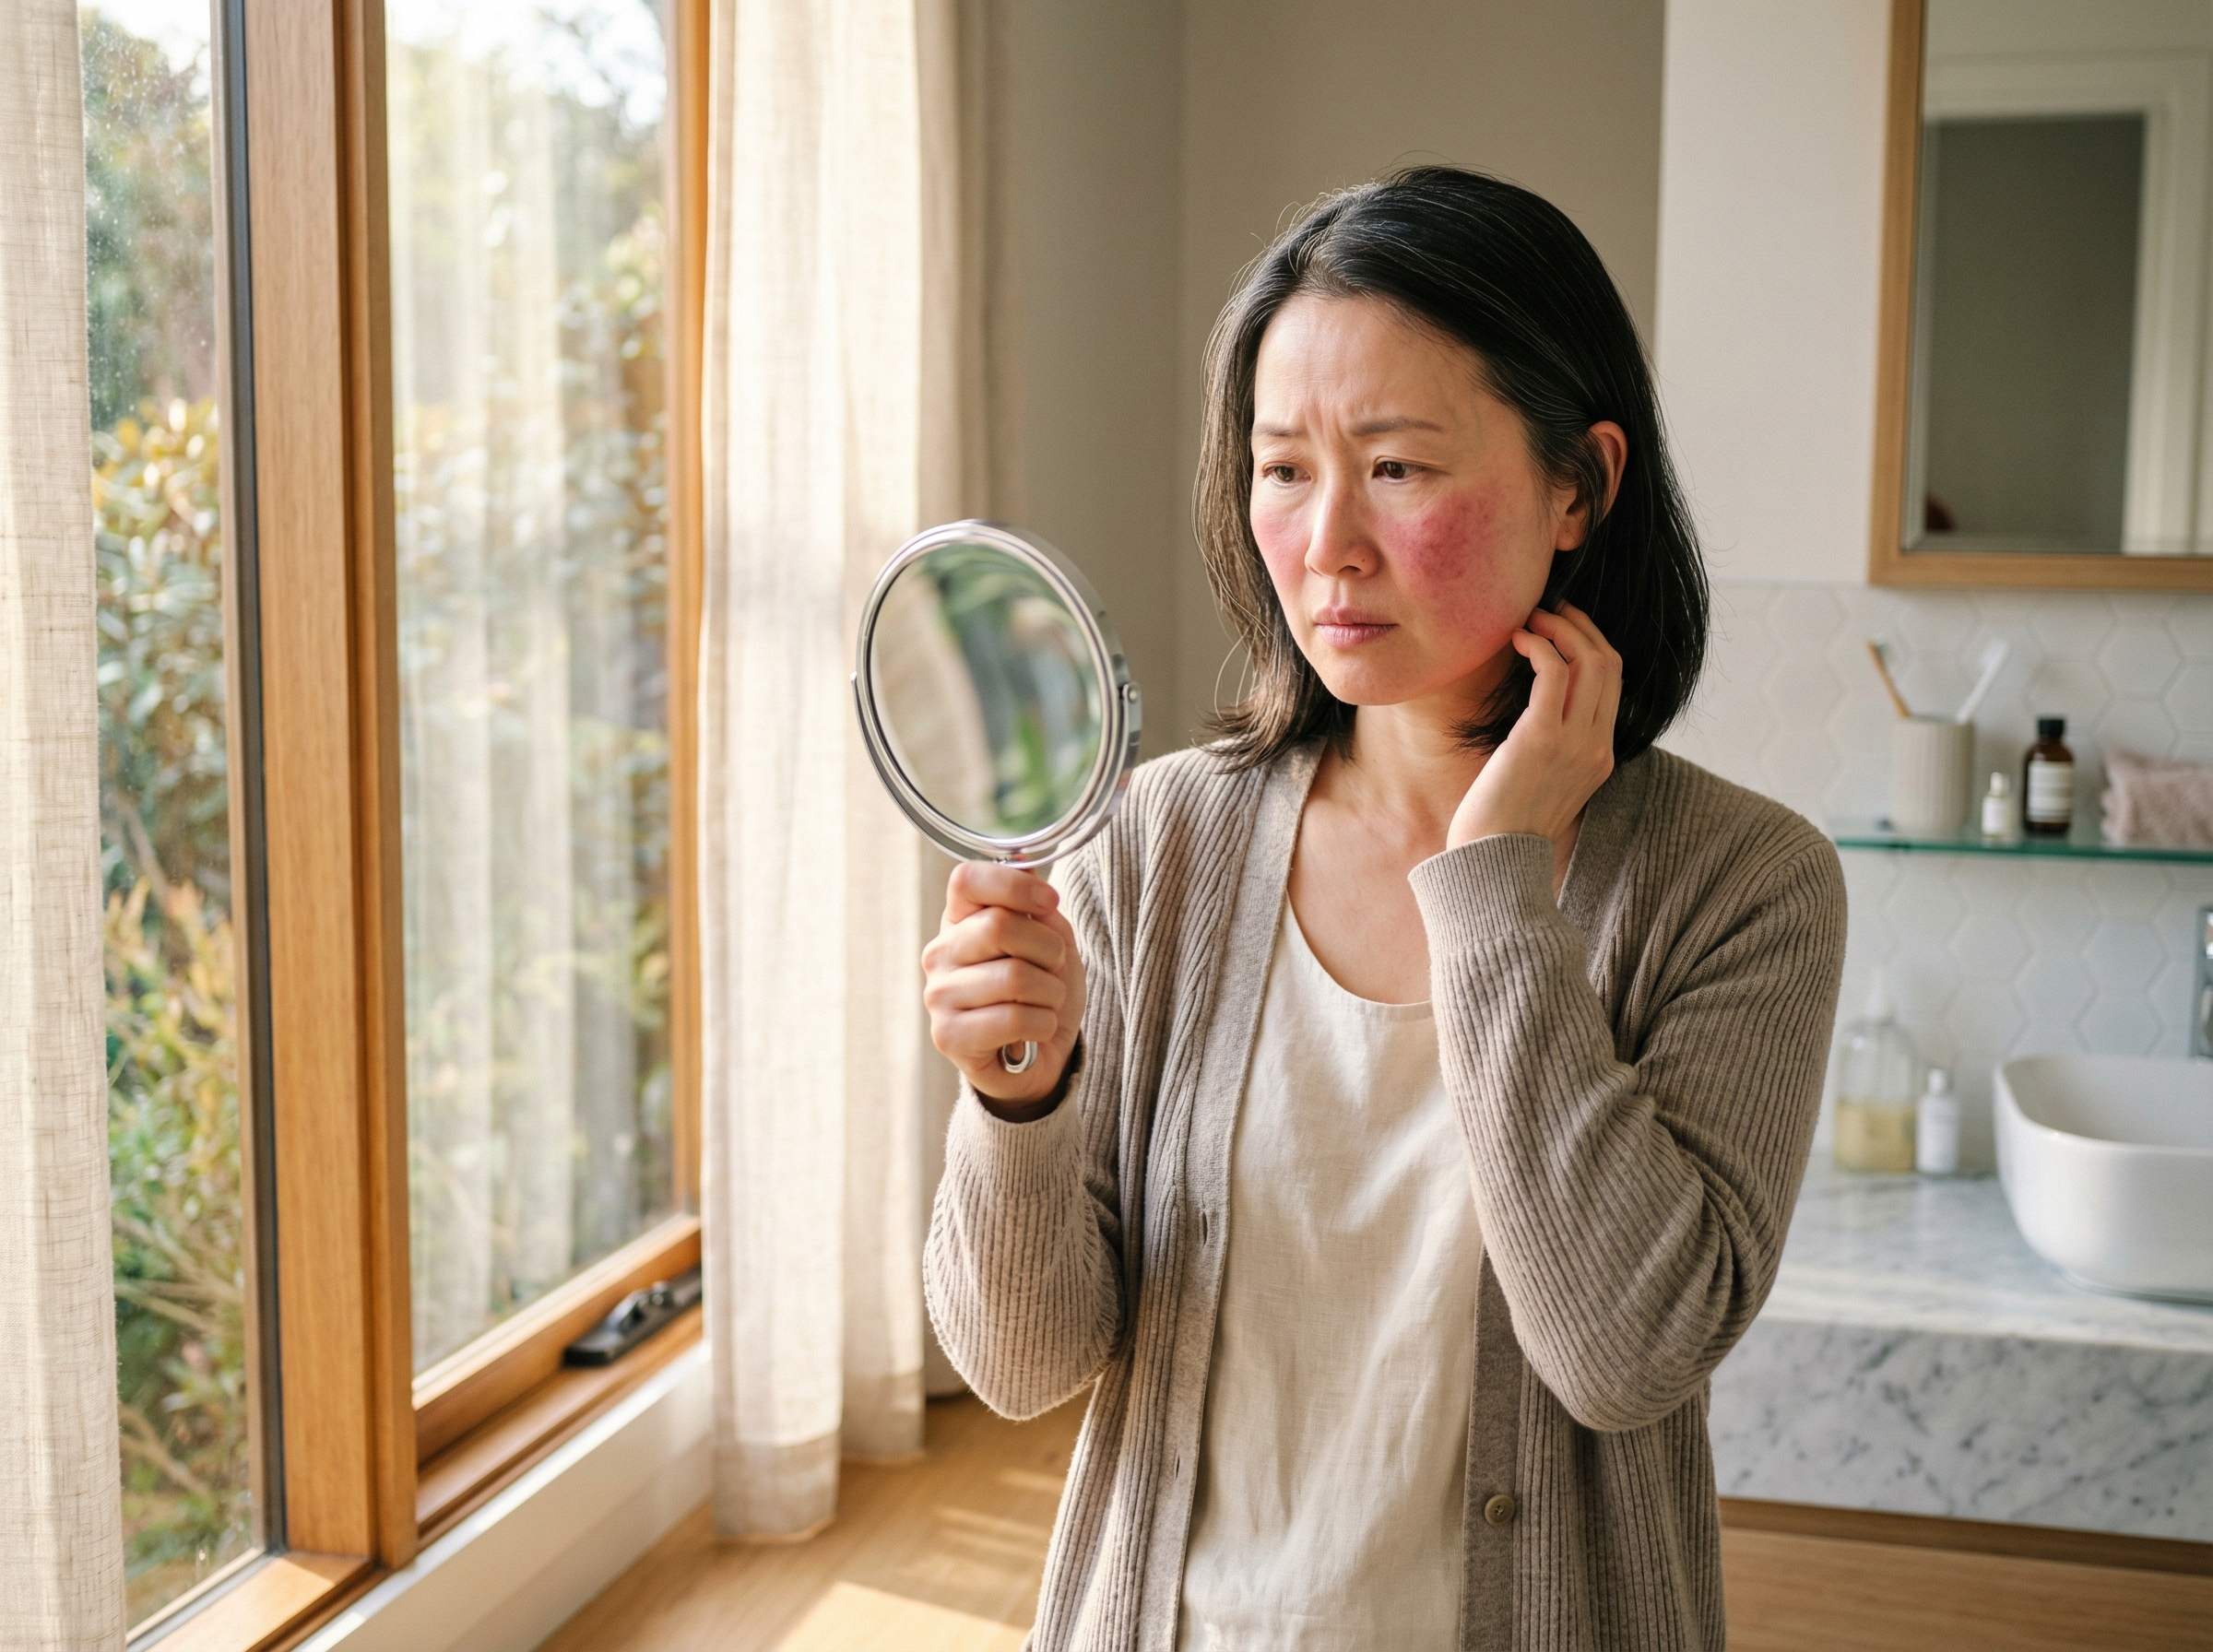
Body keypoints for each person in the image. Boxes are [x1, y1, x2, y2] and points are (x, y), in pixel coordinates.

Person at [920, 166, 1846, 1652]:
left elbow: (1624, 1355)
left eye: (1400, 468)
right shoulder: (1154, 842)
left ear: (1579, 486)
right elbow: (1022, 1364)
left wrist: (1493, 899)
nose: (1327, 543)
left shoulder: (1744, 885)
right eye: (1284, 466)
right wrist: (1015, 1104)